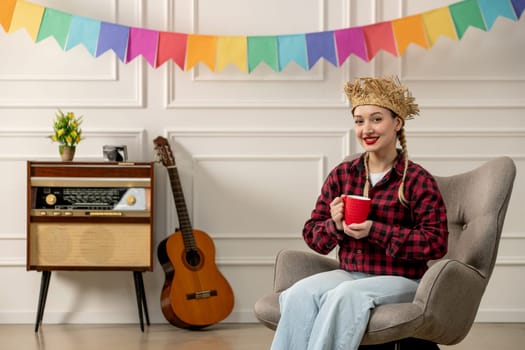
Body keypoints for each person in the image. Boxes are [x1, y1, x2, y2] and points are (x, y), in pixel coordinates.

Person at [270, 76, 449, 350]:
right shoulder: (343, 175)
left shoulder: (416, 179)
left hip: (404, 280)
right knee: (299, 293)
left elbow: (436, 243)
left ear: (397, 123)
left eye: (376, 119)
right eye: (359, 121)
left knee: (344, 296)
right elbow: (313, 235)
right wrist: (335, 224)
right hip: (351, 273)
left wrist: (375, 230)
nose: (367, 129)